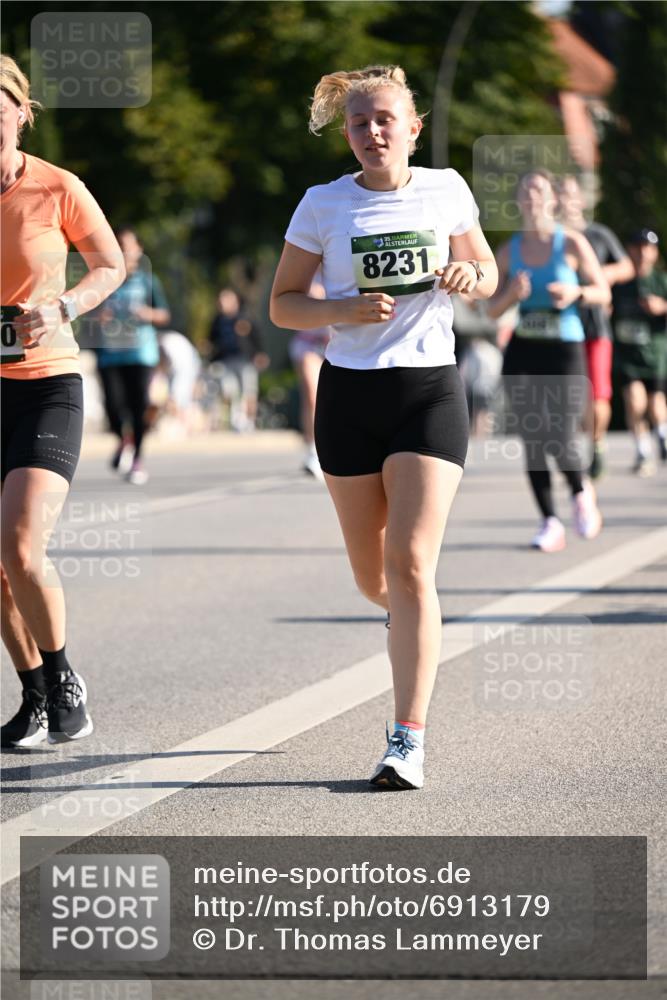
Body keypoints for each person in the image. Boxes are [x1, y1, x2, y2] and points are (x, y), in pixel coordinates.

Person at [270, 65, 497, 790]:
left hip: (427, 391)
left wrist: (470, 278)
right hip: (348, 397)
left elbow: (484, 269)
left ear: (413, 129)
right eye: (361, 123)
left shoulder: (447, 188)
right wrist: (339, 309)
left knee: (407, 565)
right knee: (375, 578)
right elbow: (281, 305)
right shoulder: (321, 205)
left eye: (386, 120)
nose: (373, 133)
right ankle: (408, 616)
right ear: (348, 133)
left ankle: (406, 741)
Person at [0, 56, 125, 747]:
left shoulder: (56, 187)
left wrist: (65, 306)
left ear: (21, 113)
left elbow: (111, 264)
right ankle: (34, 695)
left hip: (47, 382)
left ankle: (63, 673)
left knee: (20, 543)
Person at [487, 170, 610, 553]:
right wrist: (512, 293)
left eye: (538, 190)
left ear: (552, 200)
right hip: (524, 348)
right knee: (532, 437)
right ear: (518, 202)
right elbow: (490, 310)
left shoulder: (571, 242)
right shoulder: (509, 250)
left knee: (558, 430)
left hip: (565, 347)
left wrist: (576, 292)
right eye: (524, 191)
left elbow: (602, 291)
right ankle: (549, 521)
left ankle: (580, 490)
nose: (531, 197)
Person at [557, 175, 634, 478]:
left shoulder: (599, 234)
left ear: (581, 200)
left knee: (599, 395)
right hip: (562, 326)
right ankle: (572, 445)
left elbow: (628, 266)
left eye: (570, 194)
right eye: (560, 193)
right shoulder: (550, 238)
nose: (565, 199)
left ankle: (597, 442)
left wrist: (602, 275)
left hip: (595, 325)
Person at [94, 226, 171, 485]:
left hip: (140, 352)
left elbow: (164, 314)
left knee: (138, 409)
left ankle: (137, 459)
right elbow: (88, 311)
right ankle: (122, 439)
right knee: (113, 408)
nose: (124, 253)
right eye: (119, 247)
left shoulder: (149, 280)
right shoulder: (103, 278)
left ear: (139, 251)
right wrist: (99, 316)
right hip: (110, 353)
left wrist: (146, 313)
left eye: (128, 247)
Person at [612, 229, 667, 476]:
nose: (643, 252)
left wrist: (661, 307)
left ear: (655, 253)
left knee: (656, 404)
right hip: (627, 354)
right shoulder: (620, 281)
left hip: (655, 354)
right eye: (638, 247)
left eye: (648, 247)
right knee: (634, 401)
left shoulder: (661, 281)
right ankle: (642, 450)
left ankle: (663, 438)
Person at [206, 288, 269, 432]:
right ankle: (236, 421)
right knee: (230, 390)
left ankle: (250, 422)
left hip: (245, 360)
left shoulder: (245, 317)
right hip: (226, 360)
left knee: (249, 390)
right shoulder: (217, 321)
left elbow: (257, 337)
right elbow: (211, 340)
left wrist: (260, 354)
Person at [288, 278, 331, 480]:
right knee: (312, 396)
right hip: (309, 344)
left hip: (339, 344)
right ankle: (313, 451)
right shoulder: (307, 264)